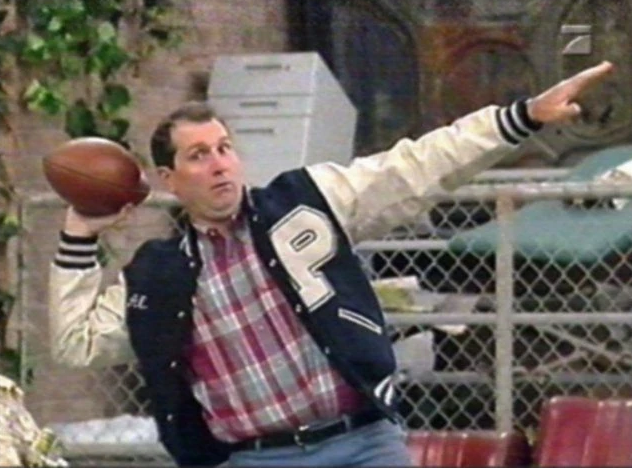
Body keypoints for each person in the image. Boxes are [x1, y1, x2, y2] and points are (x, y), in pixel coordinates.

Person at [48, 61, 613, 467]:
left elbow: (415, 167)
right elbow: (77, 342)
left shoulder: (304, 202)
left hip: (362, 443)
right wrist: (79, 233)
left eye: (225, 148)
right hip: (254, 457)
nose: (220, 164)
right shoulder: (161, 274)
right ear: (169, 180)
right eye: (199, 155)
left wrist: (521, 116)